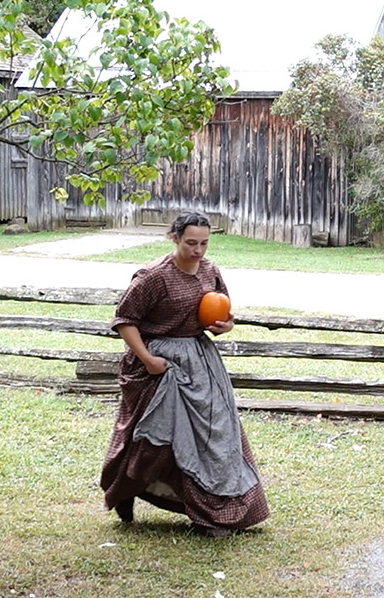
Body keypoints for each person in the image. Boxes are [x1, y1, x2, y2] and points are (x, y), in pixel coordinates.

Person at [100, 211, 270, 537]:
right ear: (175, 237)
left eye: (204, 243)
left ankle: (214, 514)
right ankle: (125, 490)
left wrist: (226, 326)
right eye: (191, 242)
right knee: (157, 440)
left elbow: (223, 314)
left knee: (213, 438)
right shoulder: (153, 276)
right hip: (159, 367)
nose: (199, 250)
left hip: (201, 363)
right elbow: (124, 320)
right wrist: (148, 359)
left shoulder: (210, 271)